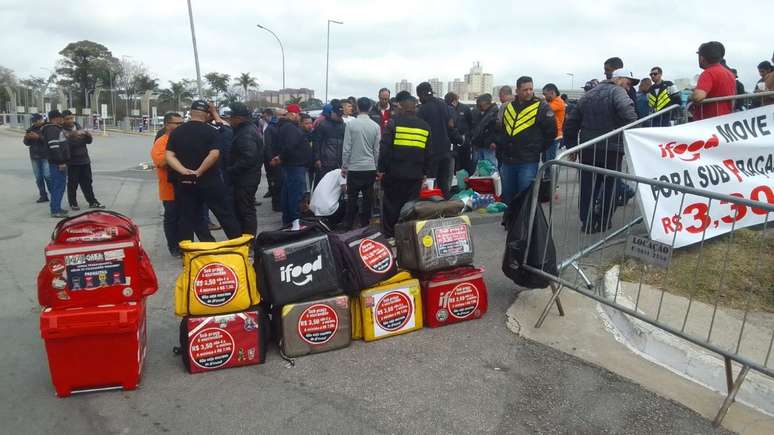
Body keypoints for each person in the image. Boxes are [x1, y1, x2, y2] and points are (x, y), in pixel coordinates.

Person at [564, 69, 638, 233]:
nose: (629, 87)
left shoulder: (589, 94)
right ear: (618, 79)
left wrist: (571, 147)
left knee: (587, 186)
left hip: (588, 147)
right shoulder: (618, 92)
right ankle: (604, 220)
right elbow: (630, 116)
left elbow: (571, 123)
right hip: (611, 149)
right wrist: (636, 137)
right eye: (628, 82)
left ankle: (588, 222)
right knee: (611, 186)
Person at [165, 100, 241, 242]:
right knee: (225, 214)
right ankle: (239, 245)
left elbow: (169, 155)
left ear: (191, 112)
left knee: (186, 218)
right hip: (210, 181)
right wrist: (199, 171)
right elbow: (214, 154)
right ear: (206, 114)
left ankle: (187, 253)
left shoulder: (177, 132)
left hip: (185, 182)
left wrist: (184, 171)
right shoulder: (211, 131)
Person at [151, 112, 211, 256]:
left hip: (189, 186)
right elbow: (161, 162)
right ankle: (174, 247)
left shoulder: (186, 138)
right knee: (172, 218)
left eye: (182, 123)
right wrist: (174, 154)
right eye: (176, 123)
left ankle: (204, 243)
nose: (180, 126)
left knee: (196, 216)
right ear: (166, 125)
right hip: (169, 189)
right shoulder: (161, 142)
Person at [378, 91, 432, 237]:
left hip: (394, 174)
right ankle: (407, 236)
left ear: (401, 107)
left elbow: (385, 148)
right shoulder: (425, 126)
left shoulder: (393, 123)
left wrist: (381, 169)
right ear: (414, 108)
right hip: (415, 175)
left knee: (391, 206)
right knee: (410, 207)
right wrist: (425, 173)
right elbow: (428, 153)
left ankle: (390, 236)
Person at [495, 77, 555, 204]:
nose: (528, 92)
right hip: (507, 161)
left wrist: (536, 149)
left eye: (531, 89)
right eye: (525, 89)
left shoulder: (541, 107)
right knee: (508, 199)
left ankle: (525, 224)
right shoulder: (508, 107)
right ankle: (510, 223)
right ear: (517, 90)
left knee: (526, 199)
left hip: (527, 161)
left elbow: (551, 133)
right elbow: (501, 131)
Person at [341, 97, 381, 230]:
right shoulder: (375, 126)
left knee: (352, 197)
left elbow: (346, 148)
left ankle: (349, 224)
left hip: (354, 167)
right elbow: (376, 150)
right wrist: (376, 167)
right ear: (370, 108)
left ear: (357, 107)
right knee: (367, 198)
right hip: (369, 167)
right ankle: (365, 224)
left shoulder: (351, 125)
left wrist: (344, 166)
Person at [224, 102, 262, 236]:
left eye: (231, 117)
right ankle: (246, 238)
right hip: (246, 177)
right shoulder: (245, 129)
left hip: (246, 178)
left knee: (246, 210)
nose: (230, 120)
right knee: (243, 209)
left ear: (239, 118)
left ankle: (249, 240)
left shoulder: (246, 133)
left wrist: (232, 169)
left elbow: (249, 157)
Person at [276, 103, 313, 225]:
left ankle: (288, 221)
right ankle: (295, 223)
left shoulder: (287, 127)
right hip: (295, 166)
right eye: (298, 114)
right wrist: (281, 157)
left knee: (289, 194)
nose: (299, 117)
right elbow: (290, 146)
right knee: (294, 195)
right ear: (293, 114)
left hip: (292, 166)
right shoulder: (290, 128)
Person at [416, 81, 454, 197]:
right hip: (446, 150)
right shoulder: (444, 105)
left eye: (419, 97)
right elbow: (451, 124)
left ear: (422, 94)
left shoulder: (423, 109)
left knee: (431, 183)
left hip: (431, 152)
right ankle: (446, 207)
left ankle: (432, 209)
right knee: (444, 183)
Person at [61, 110, 103, 210]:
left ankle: (92, 201)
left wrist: (88, 136)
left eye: (71, 118)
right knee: (73, 183)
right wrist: (72, 137)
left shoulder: (79, 127)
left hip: (84, 159)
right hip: (72, 161)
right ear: (63, 120)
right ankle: (73, 203)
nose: (70, 120)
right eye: (67, 119)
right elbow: (64, 146)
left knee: (87, 182)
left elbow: (88, 141)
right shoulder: (62, 131)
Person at [690, 41, 736, 120]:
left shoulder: (708, 73)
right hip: (725, 119)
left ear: (702, 58)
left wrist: (691, 95)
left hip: (708, 121)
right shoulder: (729, 74)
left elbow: (698, 97)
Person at [40, 110, 69, 218]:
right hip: (57, 163)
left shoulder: (54, 129)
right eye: (60, 118)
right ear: (55, 118)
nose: (62, 120)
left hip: (58, 162)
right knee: (58, 186)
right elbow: (54, 147)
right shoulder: (52, 129)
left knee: (60, 186)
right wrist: (61, 162)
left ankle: (57, 207)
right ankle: (55, 210)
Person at [313, 100, 345, 186]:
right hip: (325, 163)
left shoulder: (343, 126)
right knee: (323, 185)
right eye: (338, 114)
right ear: (332, 113)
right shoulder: (322, 125)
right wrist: (317, 159)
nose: (339, 117)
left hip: (338, 162)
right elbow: (316, 143)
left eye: (341, 115)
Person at [23, 113, 50, 203]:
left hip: (45, 156)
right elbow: (26, 143)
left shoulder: (47, 128)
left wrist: (38, 137)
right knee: (38, 177)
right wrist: (27, 138)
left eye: (36, 120)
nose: (35, 122)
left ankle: (54, 194)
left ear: (41, 119)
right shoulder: (30, 129)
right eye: (33, 121)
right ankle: (43, 195)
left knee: (47, 176)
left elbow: (49, 141)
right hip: (34, 156)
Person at [468, 93, 499, 169]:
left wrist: (494, 141)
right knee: (482, 168)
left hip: (488, 145)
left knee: (489, 167)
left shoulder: (494, 113)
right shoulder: (483, 113)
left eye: (479, 105)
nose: (478, 107)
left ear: (485, 103)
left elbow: (496, 129)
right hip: (481, 144)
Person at [541, 83, 565, 178]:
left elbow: (544, 108)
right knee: (546, 159)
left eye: (545, 94)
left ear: (552, 92)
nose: (545, 96)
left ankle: (550, 183)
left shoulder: (558, 102)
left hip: (554, 135)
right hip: (549, 135)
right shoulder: (553, 102)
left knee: (550, 161)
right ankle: (549, 182)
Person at [445, 92, 471, 173]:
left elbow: (470, 123)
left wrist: (467, 137)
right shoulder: (445, 109)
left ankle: (465, 181)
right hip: (451, 141)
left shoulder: (465, 108)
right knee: (452, 164)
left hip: (463, 141)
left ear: (456, 100)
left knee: (464, 163)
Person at [262, 108, 283, 211]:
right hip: (277, 159)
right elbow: (268, 145)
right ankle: (277, 204)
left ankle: (278, 203)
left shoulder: (273, 127)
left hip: (278, 159)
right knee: (277, 182)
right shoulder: (273, 128)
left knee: (277, 182)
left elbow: (269, 146)